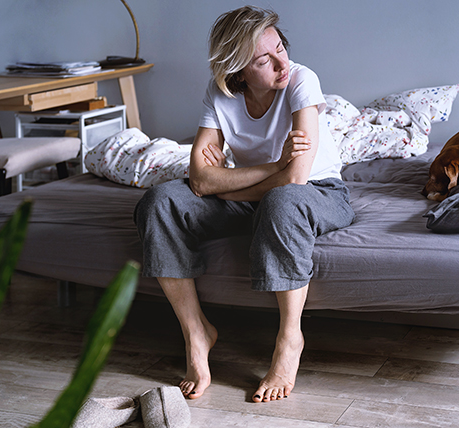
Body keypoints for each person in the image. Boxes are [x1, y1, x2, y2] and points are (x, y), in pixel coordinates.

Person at [134, 5, 354, 403]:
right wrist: (270, 165)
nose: (280, 62)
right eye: (263, 59)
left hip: (318, 192)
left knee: (283, 201)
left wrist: (225, 187)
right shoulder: (219, 92)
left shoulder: (301, 80)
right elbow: (200, 179)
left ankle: (290, 339)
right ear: (236, 70)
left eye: (280, 48)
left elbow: (294, 179)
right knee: (160, 200)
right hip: (261, 192)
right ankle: (196, 332)